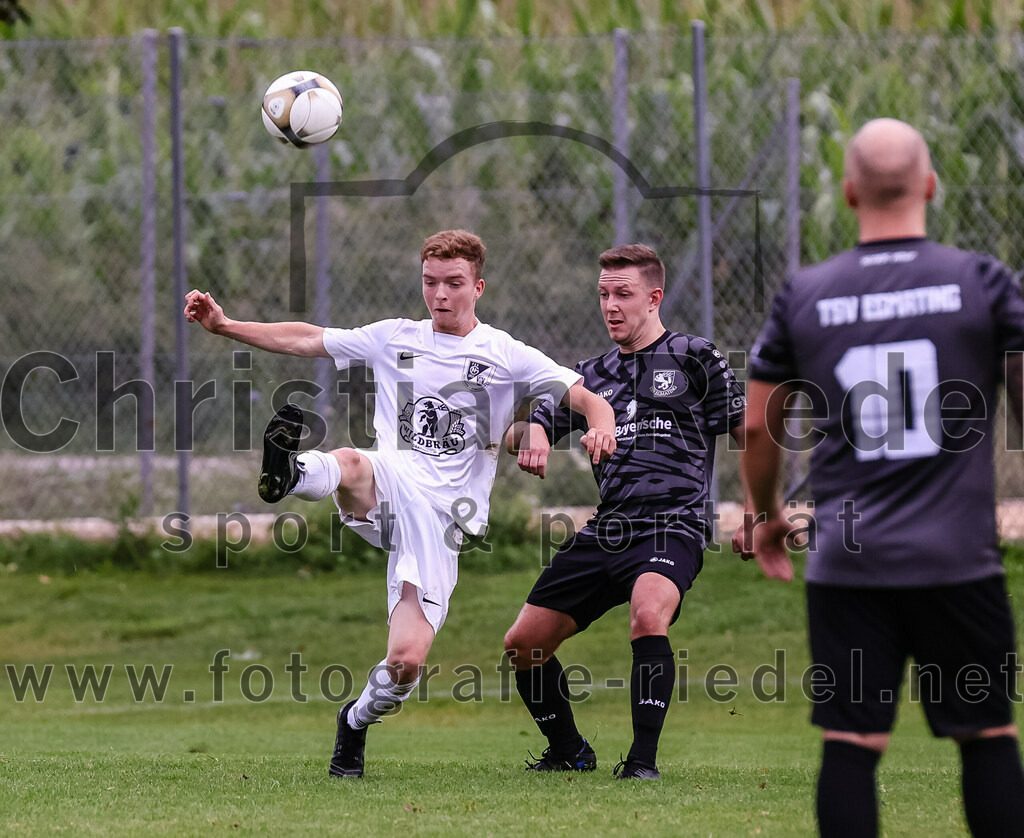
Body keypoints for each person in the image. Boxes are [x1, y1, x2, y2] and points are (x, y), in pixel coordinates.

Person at [183, 229, 617, 779]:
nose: (440, 294)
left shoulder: (505, 353)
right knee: (354, 462)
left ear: (478, 286)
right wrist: (224, 326)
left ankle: (356, 720)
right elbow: (306, 338)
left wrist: (578, 428)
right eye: (430, 282)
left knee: (405, 663)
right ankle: (290, 471)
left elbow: (585, 398)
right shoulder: (395, 338)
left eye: (454, 283)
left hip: (443, 522)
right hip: (393, 483)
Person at [741, 119, 1024, 837]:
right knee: (986, 735)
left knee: (853, 743)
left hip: (848, 564)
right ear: (930, 183)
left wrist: (765, 513)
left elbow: (755, 426)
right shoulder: (981, 281)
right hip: (958, 561)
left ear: (847, 192)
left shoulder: (805, 293)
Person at [504, 244, 746, 779]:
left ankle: (641, 764)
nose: (610, 305)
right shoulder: (590, 375)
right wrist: (535, 434)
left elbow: (744, 431)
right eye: (603, 295)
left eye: (623, 294)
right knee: (523, 644)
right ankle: (569, 751)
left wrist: (757, 510)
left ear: (654, 298)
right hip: (610, 528)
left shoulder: (693, 356)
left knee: (648, 611)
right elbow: (520, 427)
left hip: (675, 522)